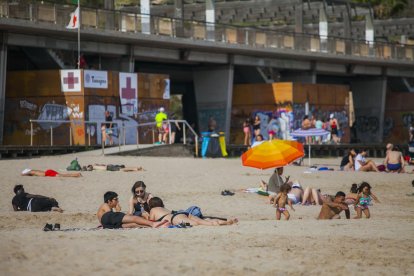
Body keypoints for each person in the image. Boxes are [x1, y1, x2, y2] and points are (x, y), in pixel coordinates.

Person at [97, 191, 168, 229]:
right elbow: (110, 216)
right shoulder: (105, 205)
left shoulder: (105, 211)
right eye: (116, 199)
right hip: (108, 220)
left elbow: (109, 220)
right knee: (134, 218)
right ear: (109, 201)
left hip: (108, 225)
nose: (117, 201)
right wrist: (117, 210)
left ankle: (153, 226)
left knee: (133, 225)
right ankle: (153, 223)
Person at [148, 197, 238, 226]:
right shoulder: (164, 209)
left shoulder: (152, 210)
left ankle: (225, 223)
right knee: (203, 221)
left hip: (176, 218)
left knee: (201, 224)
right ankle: (227, 221)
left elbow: (151, 222)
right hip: (181, 214)